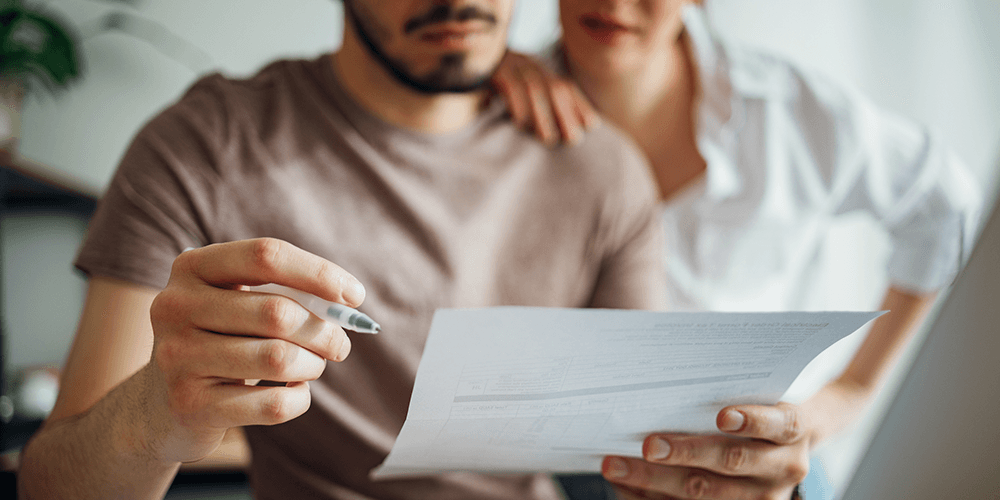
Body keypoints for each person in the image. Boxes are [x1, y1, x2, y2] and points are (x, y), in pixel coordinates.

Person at [17, 1, 671, 499]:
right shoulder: (204, 146)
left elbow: (650, 446)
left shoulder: (601, 169)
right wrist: (159, 411)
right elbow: (51, 484)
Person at [492, 1, 982, 499]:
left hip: (753, 446)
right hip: (572, 461)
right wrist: (478, 69)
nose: (614, 4)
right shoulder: (486, 105)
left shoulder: (789, 112)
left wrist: (850, 393)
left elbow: (943, 206)